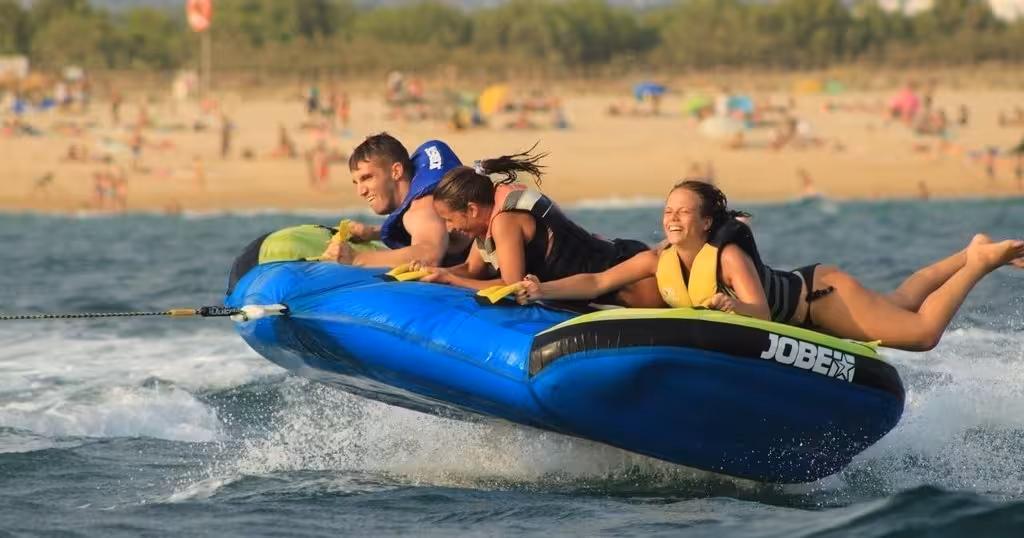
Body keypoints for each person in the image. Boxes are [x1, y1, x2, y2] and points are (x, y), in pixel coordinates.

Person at [517, 179, 1024, 352]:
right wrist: (541, 288)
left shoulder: (729, 257)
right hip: (815, 292)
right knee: (899, 302)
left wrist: (732, 305)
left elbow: (758, 314)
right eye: (667, 212)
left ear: (706, 219)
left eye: (682, 213)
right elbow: (600, 279)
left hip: (818, 299)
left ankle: (980, 263)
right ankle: (968, 250)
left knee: (920, 333)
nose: (671, 220)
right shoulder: (658, 259)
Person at [408, 147, 662, 307]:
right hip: (612, 268)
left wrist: (451, 280)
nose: (450, 228)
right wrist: (435, 273)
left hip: (633, 282)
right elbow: (473, 268)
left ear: (472, 209)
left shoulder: (505, 220)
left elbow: (510, 286)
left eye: (450, 219)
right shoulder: (488, 212)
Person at [322, 133, 472, 267]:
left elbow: (429, 254)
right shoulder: (422, 201)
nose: (361, 191)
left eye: (367, 177)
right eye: (357, 183)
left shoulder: (422, 206)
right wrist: (372, 232)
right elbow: (429, 228)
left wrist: (355, 258)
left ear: (396, 171)